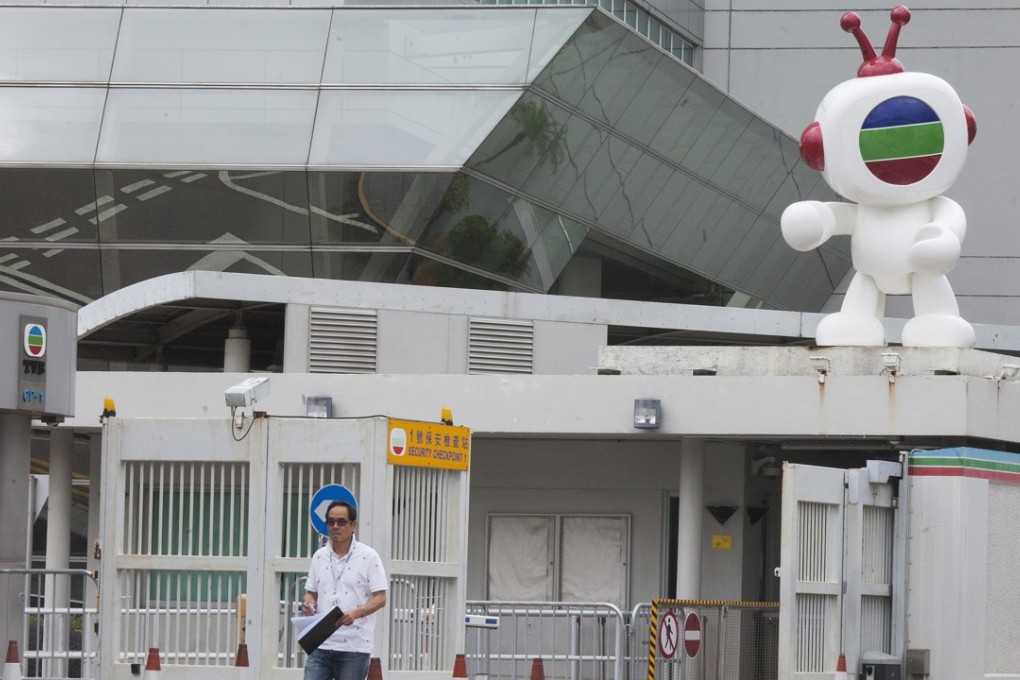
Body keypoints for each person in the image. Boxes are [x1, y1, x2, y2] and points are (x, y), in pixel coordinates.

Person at [302, 500, 388, 680]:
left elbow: (380, 598)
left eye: (341, 522)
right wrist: (308, 602)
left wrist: (357, 612)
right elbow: (311, 592)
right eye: (331, 522)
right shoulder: (319, 556)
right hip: (320, 642)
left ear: (353, 525)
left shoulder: (368, 556)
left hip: (353, 646)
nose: (335, 526)